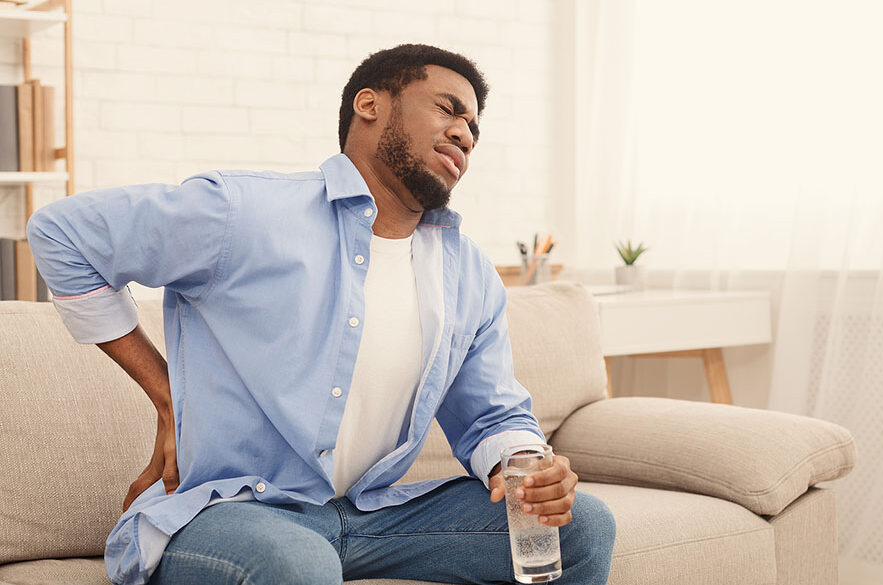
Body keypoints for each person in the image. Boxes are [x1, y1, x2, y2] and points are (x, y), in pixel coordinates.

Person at [27, 44, 615, 585]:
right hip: (235, 511)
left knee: (582, 528)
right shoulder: (246, 213)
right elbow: (62, 235)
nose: (464, 133)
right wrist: (166, 396)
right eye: (447, 109)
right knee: (295, 562)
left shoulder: (468, 274)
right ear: (370, 105)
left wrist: (528, 467)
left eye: (473, 130)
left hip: (369, 516)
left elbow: (491, 415)